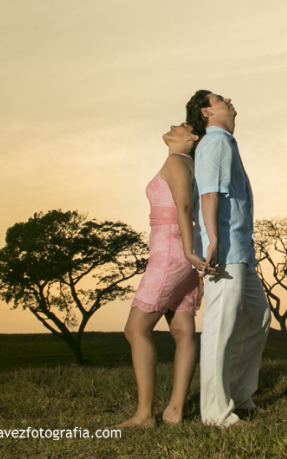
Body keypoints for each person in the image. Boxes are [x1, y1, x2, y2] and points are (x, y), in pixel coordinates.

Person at [112, 122, 210, 428]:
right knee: (183, 331)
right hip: (180, 252)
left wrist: (188, 253)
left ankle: (144, 415)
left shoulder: (177, 161)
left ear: (193, 138)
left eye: (183, 125)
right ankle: (174, 412)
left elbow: (183, 207)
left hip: (171, 252)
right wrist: (192, 255)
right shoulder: (187, 164)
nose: (174, 125)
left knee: (135, 329)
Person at [186, 89, 271, 428]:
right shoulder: (216, 141)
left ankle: (237, 394)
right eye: (221, 98)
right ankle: (215, 413)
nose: (229, 100)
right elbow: (209, 192)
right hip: (225, 251)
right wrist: (214, 240)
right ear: (207, 112)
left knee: (258, 317)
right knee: (220, 328)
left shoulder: (224, 142)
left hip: (240, 250)